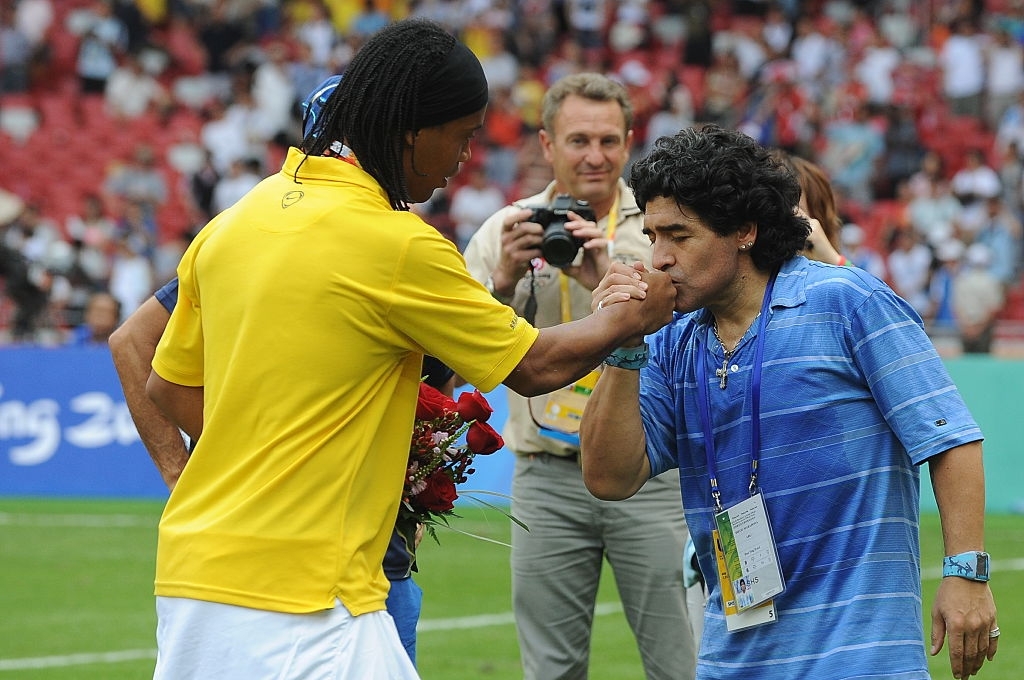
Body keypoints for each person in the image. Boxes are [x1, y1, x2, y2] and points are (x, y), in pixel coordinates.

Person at [140, 20, 675, 680]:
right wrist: (633, 316)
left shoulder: (238, 221)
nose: (465, 158)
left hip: (193, 579)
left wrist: (274, 455)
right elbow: (535, 366)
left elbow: (166, 386)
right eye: (463, 134)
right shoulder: (397, 244)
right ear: (412, 128)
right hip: (309, 596)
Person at [581, 125, 999, 679]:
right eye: (653, 236)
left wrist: (965, 572)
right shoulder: (670, 341)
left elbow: (950, 438)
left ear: (745, 231)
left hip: (862, 659)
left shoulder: (847, 301)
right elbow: (609, 477)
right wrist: (623, 343)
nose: (657, 259)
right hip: (731, 662)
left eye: (678, 236)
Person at [462, 72, 697, 680]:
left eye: (608, 140)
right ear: (546, 144)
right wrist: (505, 284)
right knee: (551, 669)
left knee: (682, 662)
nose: (595, 156)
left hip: (650, 472)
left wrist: (605, 282)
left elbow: (695, 347)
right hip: (546, 476)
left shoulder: (662, 228)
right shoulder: (505, 230)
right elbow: (465, 356)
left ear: (628, 141)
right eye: (578, 140)